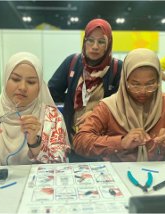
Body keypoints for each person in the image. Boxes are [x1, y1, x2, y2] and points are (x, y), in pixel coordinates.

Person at [73, 48, 165, 162]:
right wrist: (121, 142)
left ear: (158, 81)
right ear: (124, 81)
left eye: (150, 84)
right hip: (119, 177)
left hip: (159, 176)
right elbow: (80, 142)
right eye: (135, 84)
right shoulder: (108, 106)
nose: (143, 91)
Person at [48, 18, 123, 162]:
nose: (95, 46)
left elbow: (122, 104)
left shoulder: (117, 68)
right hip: (74, 141)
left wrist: (96, 112)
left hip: (104, 145)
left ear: (108, 45)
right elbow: (52, 91)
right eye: (90, 40)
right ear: (84, 41)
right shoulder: (73, 62)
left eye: (101, 42)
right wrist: (72, 100)